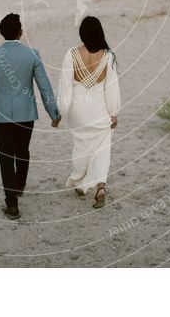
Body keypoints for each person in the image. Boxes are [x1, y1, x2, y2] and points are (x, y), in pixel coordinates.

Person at [0, 13, 60, 220]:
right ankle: (20, 184)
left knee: (5, 156)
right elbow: (44, 87)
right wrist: (53, 112)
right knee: (23, 150)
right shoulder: (32, 55)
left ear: (1, 33)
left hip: (1, 114)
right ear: (20, 32)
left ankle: (11, 203)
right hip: (26, 113)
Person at [55, 16, 120, 209]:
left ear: (82, 34)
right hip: (99, 111)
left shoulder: (71, 54)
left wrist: (60, 112)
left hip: (78, 110)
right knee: (102, 149)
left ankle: (79, 181)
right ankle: (100, 186)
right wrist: (114, 112)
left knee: (82, 146)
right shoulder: (108, 57)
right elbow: (112, 88)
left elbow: (65, 87)